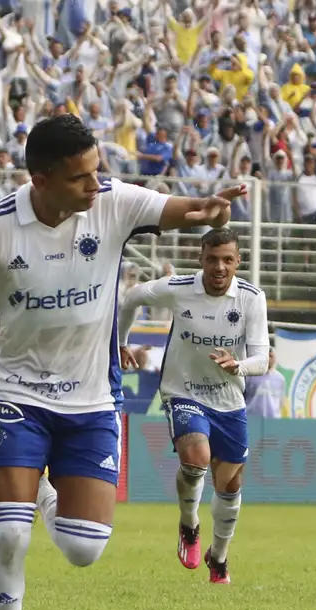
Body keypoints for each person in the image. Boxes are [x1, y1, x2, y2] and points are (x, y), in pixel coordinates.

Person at [0, 114, 245, 610]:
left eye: (97, 172)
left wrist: (211, 207)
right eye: (81, 177)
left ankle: (42, 490)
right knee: (9, 537)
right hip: (17, 394)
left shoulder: (111, 201)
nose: (95, 185)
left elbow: (184, 210)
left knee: (84, 549)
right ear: (42, 177)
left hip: (91, 399)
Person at [116, 229, 271, 584]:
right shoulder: (179, 287)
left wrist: (240, 366)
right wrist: (121, 342)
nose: (220, 267)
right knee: (196, 456)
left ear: (238, 262)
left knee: (229, 486)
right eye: (213, 259)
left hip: (229, 400)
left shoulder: (251, 298)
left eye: (227, 260)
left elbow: (263, 357)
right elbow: (131, 298)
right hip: (183, 392)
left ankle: (218, 557)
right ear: (201, 257)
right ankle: (189, 524)